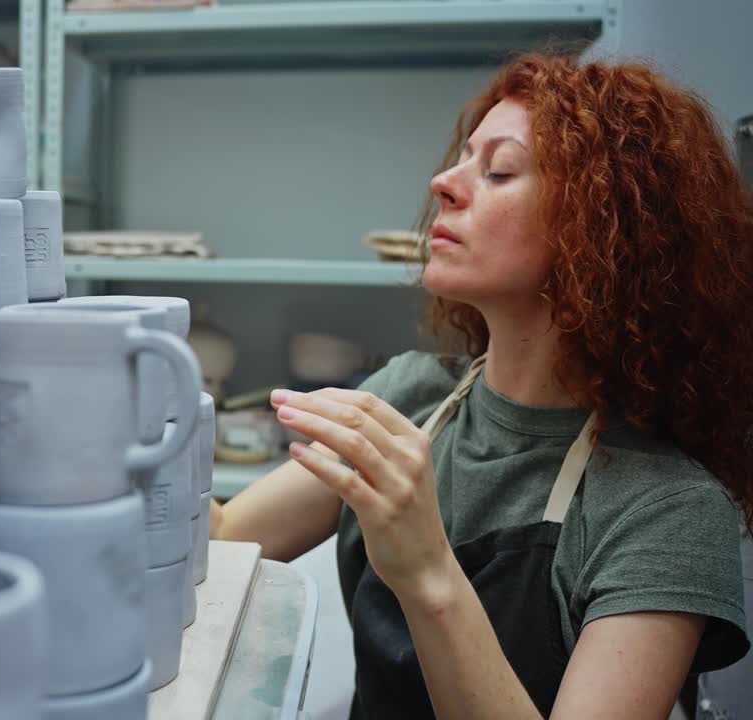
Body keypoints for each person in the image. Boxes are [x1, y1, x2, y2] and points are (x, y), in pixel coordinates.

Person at [210, 53, 753, 719]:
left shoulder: (667, 511)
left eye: (499, 170)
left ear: (603, 228)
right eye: (463, 159)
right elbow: (225, 541)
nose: (443, 182)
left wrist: (428, 573)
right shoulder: (411, 398)